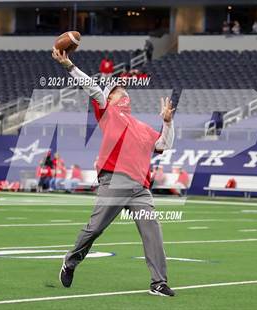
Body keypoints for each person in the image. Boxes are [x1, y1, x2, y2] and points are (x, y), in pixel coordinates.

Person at [52, 47, 176, 297]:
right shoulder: (108, 113)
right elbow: (93, 88)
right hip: (115, 180)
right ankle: (70, 261)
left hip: (140, 188)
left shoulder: (141, 126)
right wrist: (69, 66)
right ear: (109, 99)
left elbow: (164, 144)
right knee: (95, 228)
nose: (123, 92)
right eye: (118, 91)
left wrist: (167, 122)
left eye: (124, 90)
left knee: (153, 232)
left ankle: (158, 282)